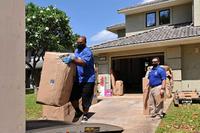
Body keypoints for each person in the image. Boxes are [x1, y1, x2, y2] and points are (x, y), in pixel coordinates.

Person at [62, 36, 95, 122]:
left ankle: (85, 114)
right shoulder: (76, 50)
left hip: (88, 80)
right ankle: (78, 111)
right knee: (72, 97)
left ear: (85, 43)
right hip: (78, 79)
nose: (79, 44)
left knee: (85, 99)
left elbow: (83, 63)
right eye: (78, 42)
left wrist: (72, 59)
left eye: (81, 43)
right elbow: (74, 59)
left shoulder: (88, 52)